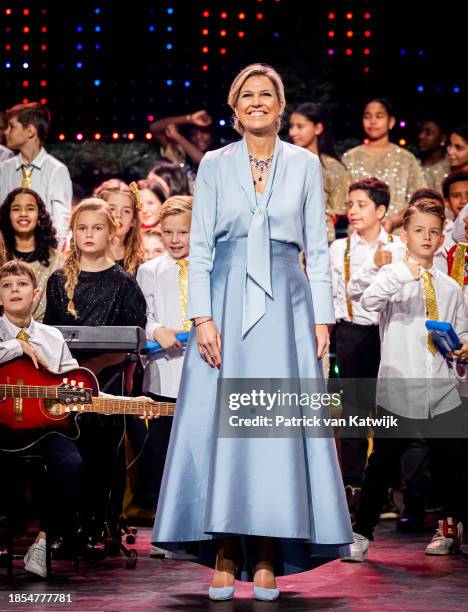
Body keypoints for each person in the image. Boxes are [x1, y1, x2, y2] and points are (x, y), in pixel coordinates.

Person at [151, 63, 352, 602]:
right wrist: (202, 317)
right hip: (226, 305)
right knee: (224, 427)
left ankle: (266, 552)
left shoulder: (305, 164)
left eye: (267, 95)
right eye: (248, 95)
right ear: (234, 108)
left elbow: (318, 247)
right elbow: (199, 248)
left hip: (288, 306)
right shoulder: (215, 164)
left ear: (280, 106)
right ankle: (223, 550)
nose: (257, 102)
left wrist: (321, 318)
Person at [0, 260, 155, 578]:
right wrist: (16, 346)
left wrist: (130, 402)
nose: (15, 290)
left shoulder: (52, 338)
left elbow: (80, 390)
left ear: (37, 293)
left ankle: (42, 542)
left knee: (73, 463)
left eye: (21, 285)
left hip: (41, 430)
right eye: (6, 286)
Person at [343, 200, 468, 562]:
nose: (426, 237)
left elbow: (459, 329)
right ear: (404, 235)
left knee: (450, 465)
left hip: (441, 387)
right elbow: (367, 301)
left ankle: (449, 529)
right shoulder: (393, 276)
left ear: (441, 237)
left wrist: (462, 346)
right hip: (399, 387)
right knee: (382, 463)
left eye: (433, 232)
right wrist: (402, 273)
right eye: (418, 230)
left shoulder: (449, 287)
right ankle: (362, 532)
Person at [44, 198, 148, 543]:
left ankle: (100, 525)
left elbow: (132, 343)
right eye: (82, 228)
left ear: (111, 233)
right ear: (73, 233)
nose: (89, 234)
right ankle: (65, 527)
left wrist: (94, 367)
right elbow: (49, 336)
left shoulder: (123, 283)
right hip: (64, 383)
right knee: (70, 450)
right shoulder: (59, 281)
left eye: (97, 228)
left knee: (104, 452)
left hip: (106, 381)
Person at [329, 178, 405, 511]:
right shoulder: (340, 248)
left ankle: (386, 486)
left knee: (389, 411)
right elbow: (336, 293)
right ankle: (353, 485)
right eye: (350, 204)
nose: (353, 211)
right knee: (354, 413)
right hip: (351, 334)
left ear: (381, 210)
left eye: (361, 205)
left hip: (388, 334)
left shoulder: (397, 246)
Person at [135, 196, 192, 546]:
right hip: (163, 374)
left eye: (182, 232)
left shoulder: (211, 265)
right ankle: (164, 529)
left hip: (203, 370)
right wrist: (158, 331)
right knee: (162, 451)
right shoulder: (150, 270)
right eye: (167, 232)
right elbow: (144, 314)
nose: (174, 239)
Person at [343, 98, 426, 232]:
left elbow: (420, 199)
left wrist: (393, 222)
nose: (372, 121)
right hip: (359, 233)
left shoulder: (406, 159)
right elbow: (343, 200)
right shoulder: (350, 158)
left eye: (379, 116)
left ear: (391, 122)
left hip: (397, 234)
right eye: (367, 116)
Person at [0, 102, 72, 247]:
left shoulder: (56, 170)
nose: (5, 132)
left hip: (43, 252)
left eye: (12, 127)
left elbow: (61, 219)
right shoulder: (4, 169)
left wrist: (53, 256)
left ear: (30, 131)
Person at [0, 187, 64, 322]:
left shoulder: (57, 259)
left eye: (30, 208)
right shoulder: (1, 255)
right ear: (8, 215)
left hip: (46, 335)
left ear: (40, 215)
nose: (23, 213)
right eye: (16, 209)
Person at [289, 103, 349, 241]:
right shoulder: (284, 162)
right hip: (289, 236)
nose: (293, 132)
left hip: (323, 237)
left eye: (300, 126)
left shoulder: (332, 167)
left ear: (318, 128)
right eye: (291, 126)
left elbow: (339, 209)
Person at [94, 179, 144, 276]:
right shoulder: (87, 256)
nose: (118, 215)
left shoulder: (139, 262)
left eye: (126, 211)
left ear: (133, 221)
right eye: (112, 209)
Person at [418, 118, 450, 195]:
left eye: (429, 132)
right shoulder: (414, 163)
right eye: (421, 131)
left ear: (443, 138)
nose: (421, 136)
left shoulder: (449, 167)